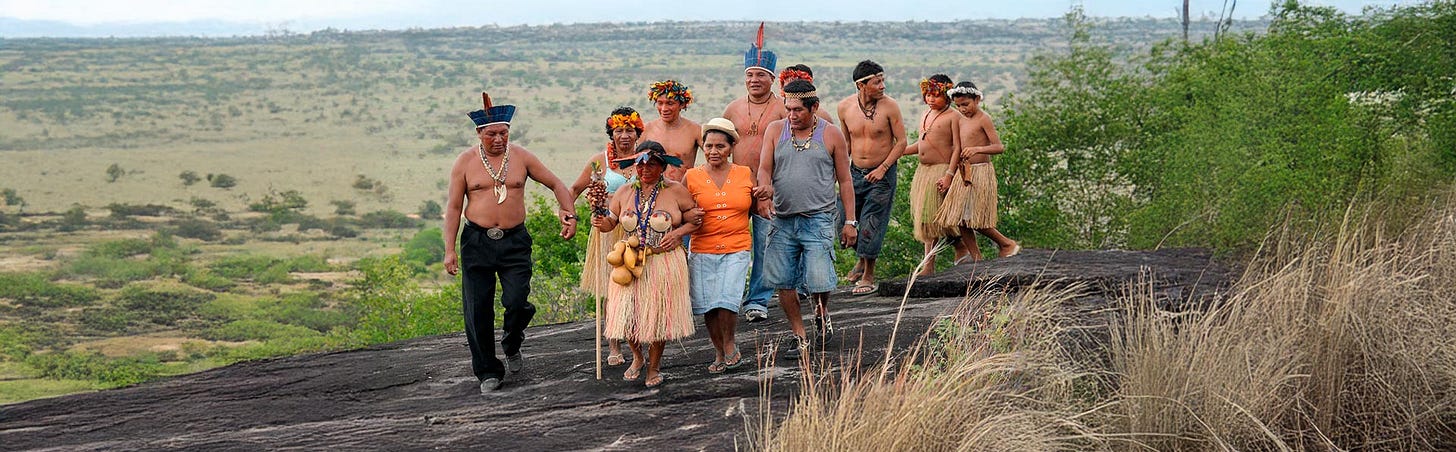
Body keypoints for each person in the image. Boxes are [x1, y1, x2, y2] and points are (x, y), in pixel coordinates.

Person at [444, 93, 579, 394]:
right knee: (477, 308)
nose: (498, 139)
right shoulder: (464, 162)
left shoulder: (522, 157)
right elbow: (453, 207)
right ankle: (488, 371)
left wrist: (568, 214)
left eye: (503, 133)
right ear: (479, 133)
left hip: (514, 240)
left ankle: (512, 340)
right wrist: (450, 249)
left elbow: (557, 184)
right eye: (491, 134)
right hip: (477, 241)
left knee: (517, 300)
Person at [755, 80, 857, 361]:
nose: (792, 115)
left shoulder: (831, 135)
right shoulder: (776, 131)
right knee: (783, 281)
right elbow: (764, 170)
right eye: (788, 109)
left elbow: (846, 181)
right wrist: (764, 192)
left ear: (814, 108)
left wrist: (851, 221)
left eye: (798, 110)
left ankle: (821, 311)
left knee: (819, 279)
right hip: (782, 219)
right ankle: (799, 335)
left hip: (819, 218)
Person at [593, 141, 699, 388]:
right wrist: (600, 221)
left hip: (662, 260)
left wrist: (678, 232)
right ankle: (638, 357)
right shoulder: (624, 192)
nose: (645, 170)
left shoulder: (676, 191)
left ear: (662, 166)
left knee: (656, 318)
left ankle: (654, 366)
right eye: (640, 165)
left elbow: (696, 219)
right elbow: (611, 222)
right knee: (627, 316)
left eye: (651, 164)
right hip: (628, 261)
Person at [569, 106, 643, 366]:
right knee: (612, 288)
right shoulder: (599, 161)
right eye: (619, 130)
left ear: (638, 133)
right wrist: (569, 216)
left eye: (629, 131)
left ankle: (636, 338)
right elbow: (575, 189)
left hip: (637, 231)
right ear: (611, 133)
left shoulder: (645, 159)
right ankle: (614, 343)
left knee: (636, 286)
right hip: (606, 231)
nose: (624, 136)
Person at [720, 24, 783, 323]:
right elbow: (717, 147)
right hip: (735, 186)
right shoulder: (732, 109)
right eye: (750, 74)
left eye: (760, 75)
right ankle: (726, 298)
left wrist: (768, 187)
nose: (754, 79)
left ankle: (758, 299)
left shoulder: (783, 109)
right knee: (729, 242)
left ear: (772, 78)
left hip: (769, 187)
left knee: (765, 244)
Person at [685, 118, 754, 373]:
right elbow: (681, 210)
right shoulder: (691, 177)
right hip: (702, 247)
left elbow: (757, 207)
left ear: (731, 147)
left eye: (720, 147)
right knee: (708, 305)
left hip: (737, 246)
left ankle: (729, 342)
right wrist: (687, 217)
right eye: (709, 146)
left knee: (727, 299)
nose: (714, 152)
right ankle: (717, 350)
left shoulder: (745, 174)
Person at [835, 60, 906, 296]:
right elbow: (846, 143)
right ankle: (861, 258)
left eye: (883, 80)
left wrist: (884, 168)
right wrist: (840, 172)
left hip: (882, 174)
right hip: (855, 173)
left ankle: (868, 275)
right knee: (843, 220)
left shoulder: (890, 107)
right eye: (877, 82)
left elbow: (902, 142)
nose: (882, 86)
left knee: (872, 224)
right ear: (861, 84)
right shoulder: (845, 107)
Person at [936, 81, 1020, 260]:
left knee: (975, 217)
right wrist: (949, 175)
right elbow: (957, 148)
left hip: (980, 172)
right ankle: (976, 258)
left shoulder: (984, 119)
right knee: (960, 218)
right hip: (963, 172)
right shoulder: (959, 120)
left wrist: (977, 149)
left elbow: (998, 147)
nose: (962, 109)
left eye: (966, 104)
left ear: (977, 99)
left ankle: (1006, 243)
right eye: (958, 106)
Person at [901, 74, 968, 274]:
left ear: (947, 97)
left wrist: (949, 174)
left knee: (936, 217)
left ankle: (936, 260)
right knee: (926, 219)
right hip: (924, 172)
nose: (930, 99)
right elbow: (921, 143)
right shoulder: (925, 114)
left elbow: (957, 148)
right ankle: (940, 257)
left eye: (936, 96)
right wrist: (899, 152)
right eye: (928, 95)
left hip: (941, 169)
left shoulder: (954, 116)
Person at [641, 80, 702, 182]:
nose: (664, 109)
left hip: (683, 192)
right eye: (660, 103)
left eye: (670, 103)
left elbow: (714, 157)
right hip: (652, 193)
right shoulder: (646, 130)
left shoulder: (695, 130)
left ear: (682, 105)